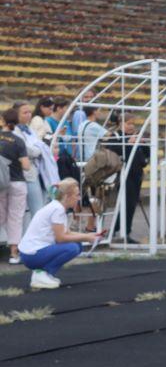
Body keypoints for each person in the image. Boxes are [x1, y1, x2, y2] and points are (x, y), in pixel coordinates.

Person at [18, 178, 105, 289]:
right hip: (32, 255)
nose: (78, 198)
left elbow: (66, 233)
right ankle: (42, 274)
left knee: (77, 246)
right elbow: (61, 238)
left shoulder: (56, 207)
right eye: (77, 195)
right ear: (67, 196)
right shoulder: (57, 209)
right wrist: (87, 237)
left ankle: (44, 275)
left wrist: (90, 236)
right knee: (72, 248)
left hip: (30, 253)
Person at [104, 117, 149, 242]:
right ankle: (119, 230)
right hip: (122, 174)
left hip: (136, 173)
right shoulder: (116, 136)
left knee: (131, 204)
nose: (131, 126)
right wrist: (129, 144)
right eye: (128, 123)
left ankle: (122, 230)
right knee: (125, 203)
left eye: (133, 123)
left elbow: (147, 153)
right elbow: (111, 151)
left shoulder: (137, 136)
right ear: (120, 124)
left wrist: (142, 144)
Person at [1, 107, 30, 264]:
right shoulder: (18, 141)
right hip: (17, 182)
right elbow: (26, 166)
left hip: (0, 184)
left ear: (3, 121)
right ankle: (14, 253)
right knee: (15, 217)